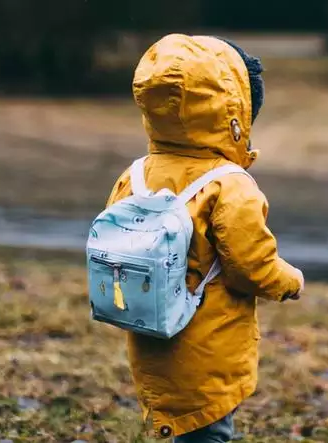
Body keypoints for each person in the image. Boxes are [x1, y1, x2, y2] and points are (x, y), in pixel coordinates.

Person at [105, 33, 305, 442]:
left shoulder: (137, 174)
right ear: (234, 112)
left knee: (190, 426)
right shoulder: (230, 185)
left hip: (150, 331)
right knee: (208, 429)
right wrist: (291, 281)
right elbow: (251, 265)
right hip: (207, 341)